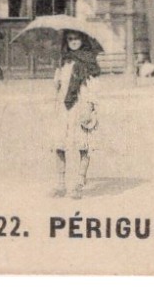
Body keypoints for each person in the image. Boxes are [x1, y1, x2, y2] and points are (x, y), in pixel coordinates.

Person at [52, 31, 100, 197]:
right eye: (70, 38)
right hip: (64, 107)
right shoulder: (63, 60)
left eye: (77, 38)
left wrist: (90, 107)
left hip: (81, 104)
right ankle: (60, 184)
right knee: (59, 144)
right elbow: (58, 86)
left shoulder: (89, 60)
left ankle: (79, 182)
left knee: (83, 145)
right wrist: (56, 80)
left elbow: (93, 86)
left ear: (82, 39)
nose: (73, 42)